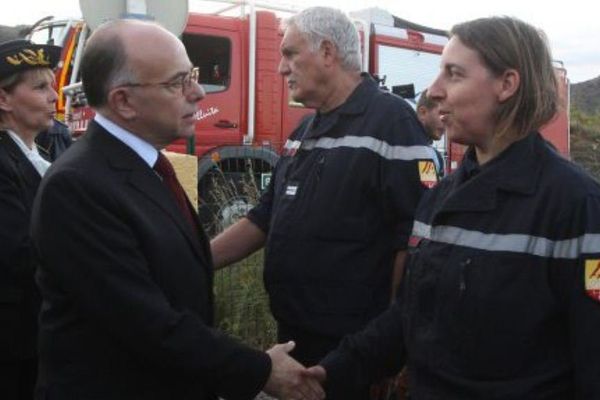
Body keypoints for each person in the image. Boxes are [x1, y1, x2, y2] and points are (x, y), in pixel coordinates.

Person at [309, 16, 600, 399]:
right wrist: (328, 372)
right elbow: (410, 314)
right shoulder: (440, 197)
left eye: (454, 73)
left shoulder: (575, 206)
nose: (434, 90)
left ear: (507, 84)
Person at [30, 19, 323, 400]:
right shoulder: (77, 187)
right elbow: (147, 324)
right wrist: (260, 370)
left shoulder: (145, 164)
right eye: (177, 83)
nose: (198, 92)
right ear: (123, 101)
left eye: (193, 76)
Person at [210, 5, 433, 388]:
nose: (281, 68)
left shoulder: (393, 123)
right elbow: (263, 218)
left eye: (290, 53)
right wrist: (193, 260)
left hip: (354, 350)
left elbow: (411, 242)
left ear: (328, 52)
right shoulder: (304, 130)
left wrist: (388, 351)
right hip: (295, 335)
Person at [0, 38, 60, 399]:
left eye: (52, 85)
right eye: (40, 87)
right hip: (12, 340)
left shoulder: (38, 154)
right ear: (4, 99)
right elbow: (19, 250)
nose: (54, 96)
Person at [416, 88, 445, 178]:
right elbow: (428, 191)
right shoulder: (425, 153)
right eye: (441, 114)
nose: (446, 121)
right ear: (423, 112)